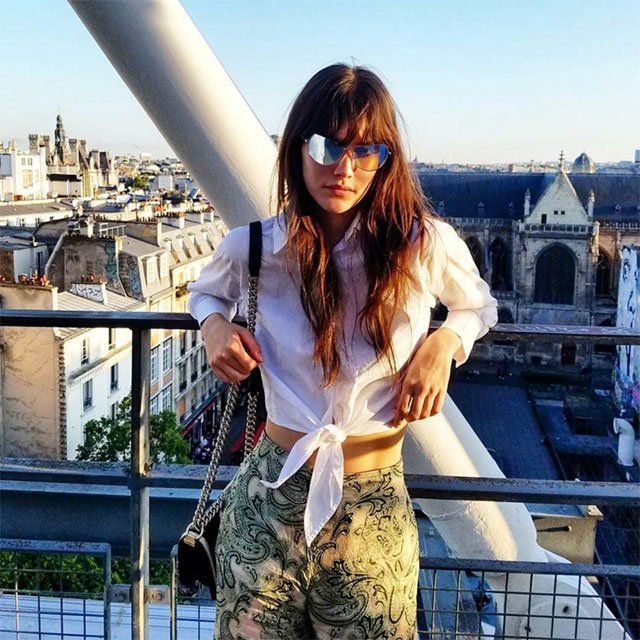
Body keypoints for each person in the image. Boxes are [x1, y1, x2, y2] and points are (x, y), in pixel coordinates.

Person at [188, 63, 498, 640]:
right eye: (327, 145)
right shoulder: (256, 248)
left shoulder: (423, 244)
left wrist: (444, 343)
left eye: (365, 151)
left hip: (371, 508)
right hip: (268, 503)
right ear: (298, 148)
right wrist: (213, 327)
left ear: (386, 159)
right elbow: (204, 292)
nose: (344, 168)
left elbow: (477, 305)